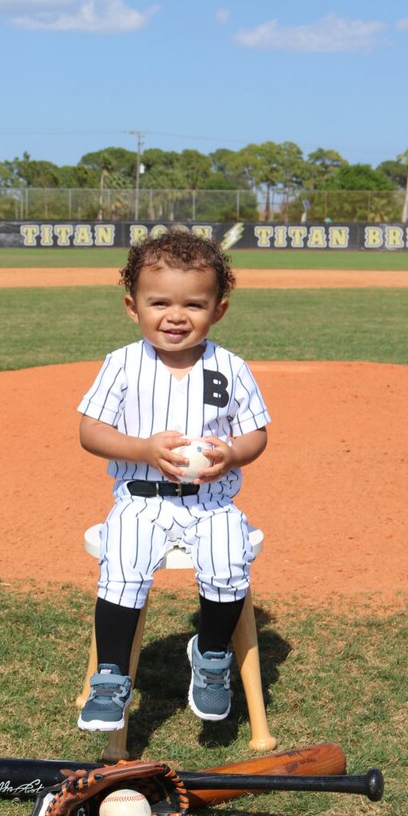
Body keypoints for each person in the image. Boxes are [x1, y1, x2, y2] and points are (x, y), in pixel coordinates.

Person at [77, 229, 269, 733]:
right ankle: (112, 676)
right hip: (141, 499)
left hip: (211, 503)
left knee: (229, 563)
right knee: (123, 567)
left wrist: (231, 455)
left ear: (218, 310)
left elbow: (256, 434)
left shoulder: (230, 367)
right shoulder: (122, 364)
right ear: (131, 306)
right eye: (159, 302)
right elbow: (90, 431)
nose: (176, 315)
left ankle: (209, 654)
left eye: (194, 304)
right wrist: (142, 449)